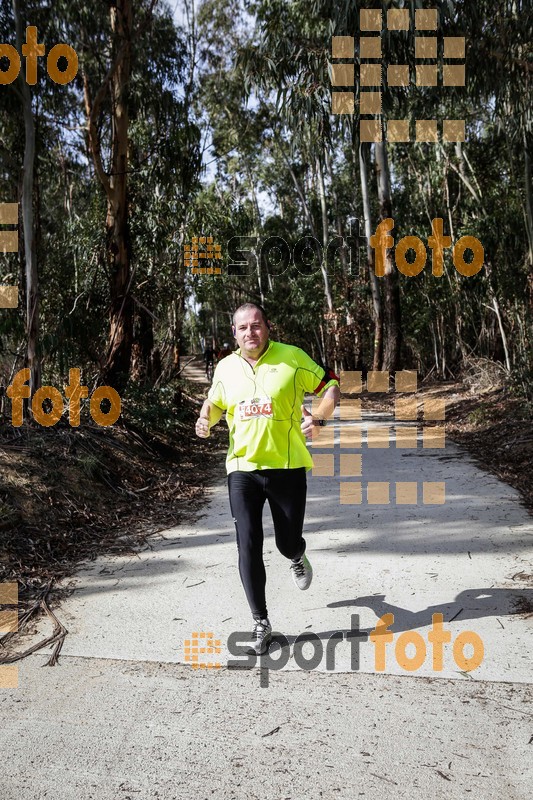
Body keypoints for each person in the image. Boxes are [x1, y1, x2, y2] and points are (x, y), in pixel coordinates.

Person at [195, 302, 340, 654]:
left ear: (267, 327)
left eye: (256, 325)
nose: (250, 333)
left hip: (287, 467)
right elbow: (214, 403)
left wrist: (319, 417)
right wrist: (205, 419)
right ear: (234, 333)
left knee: (286, 542)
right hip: (242, 469)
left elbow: (331, 386)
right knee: (247, 542)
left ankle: (297, 554)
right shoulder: (226, 367)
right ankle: (261, 622)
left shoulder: (292, 357)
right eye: (243, 328)